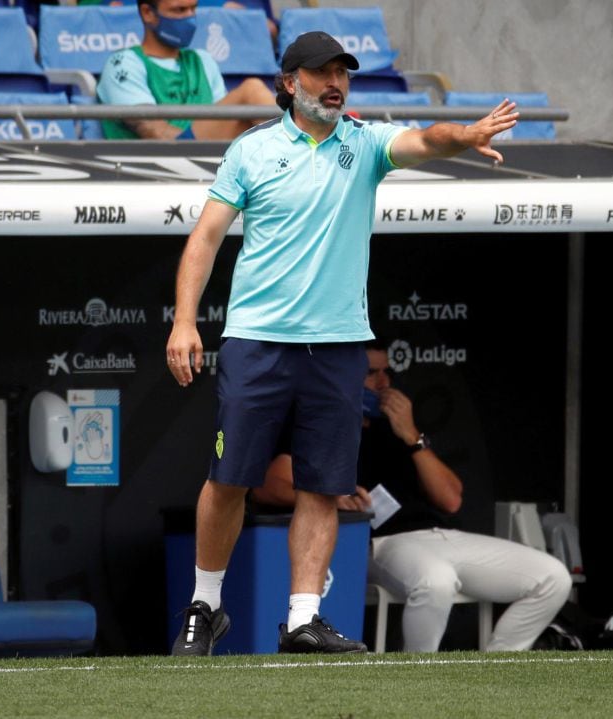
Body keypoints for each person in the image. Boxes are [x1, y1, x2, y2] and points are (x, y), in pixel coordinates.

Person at [165, 30, 520, 656]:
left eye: (343, 73)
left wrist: (462, 136)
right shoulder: (251, 152)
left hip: (336, 348)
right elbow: (205, 238)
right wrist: (185, 321)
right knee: (230, 479)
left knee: (323, 486)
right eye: (321, 72)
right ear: (288, 82)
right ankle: (206, 605)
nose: (335, 83)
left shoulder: (365, 141)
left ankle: (303, 618)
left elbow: (424, 140)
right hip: (257, 341)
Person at [254, 341, 574, 652]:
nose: (383, 383)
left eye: (387, 372)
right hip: (379, 543)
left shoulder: (397, 428)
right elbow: (268, 485)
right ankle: (418, 674)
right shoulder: (323, 424)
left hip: (439, 535)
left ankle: (499, 663)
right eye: (371, 373)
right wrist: (329, 499)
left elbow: (451, 499)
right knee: (437, 580)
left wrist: (411, 435)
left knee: (553, 577)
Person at [95, 0, 276, 140]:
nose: (190, 19)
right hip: (165, 162)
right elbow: (156, 133)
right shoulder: (123, 64)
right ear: (148, 13)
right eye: (179, 10)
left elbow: (226, 125)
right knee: (251, 90)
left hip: (213, 162)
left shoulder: (203, 60)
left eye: (193, 9)